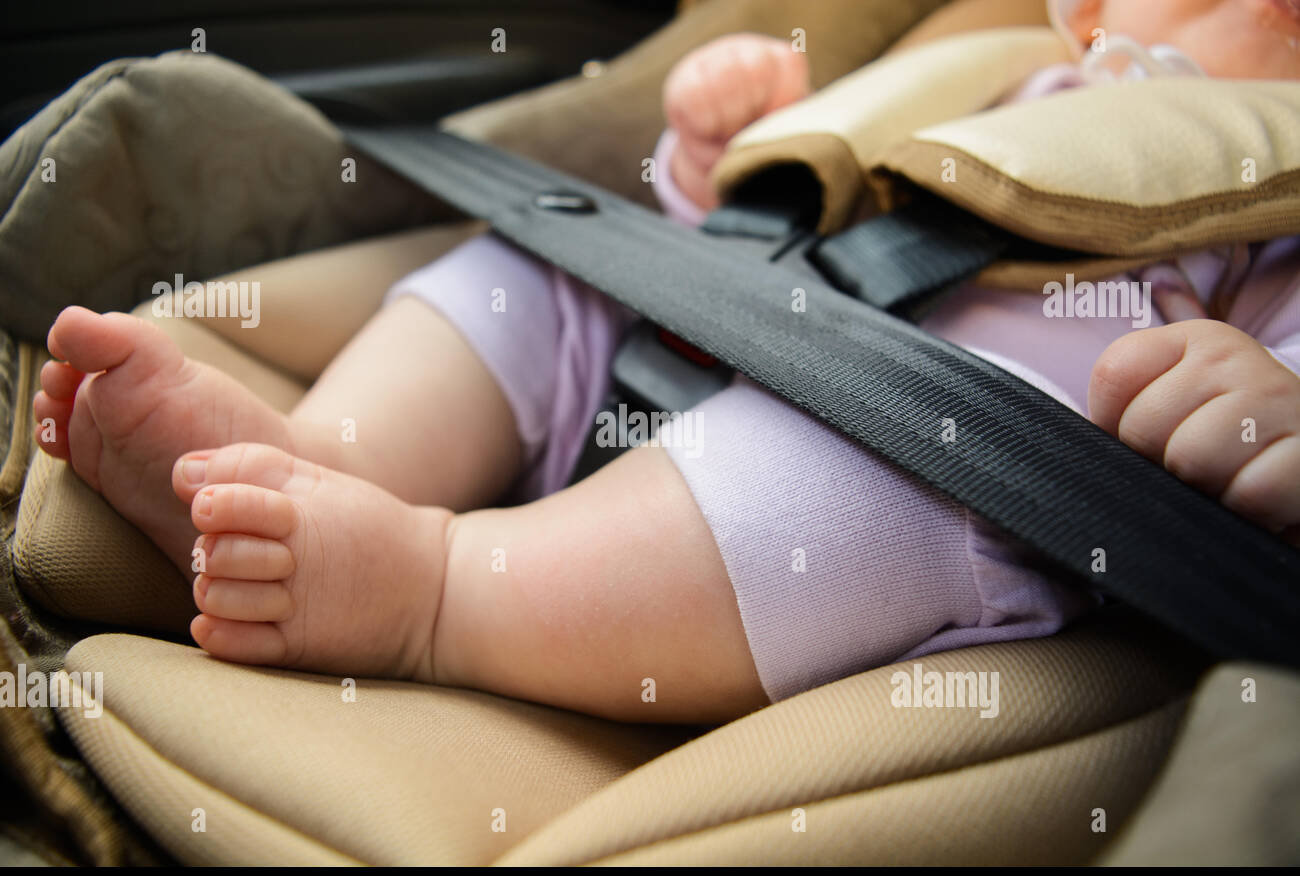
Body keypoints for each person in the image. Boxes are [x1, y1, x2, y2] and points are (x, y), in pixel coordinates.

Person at [32, 0, 1300, 723]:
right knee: (537, 267)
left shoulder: (1268, 209)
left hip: (944, 444)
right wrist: (716, 152)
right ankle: (326, 454)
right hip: (710, 320)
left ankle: (433, 591)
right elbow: (735, 224)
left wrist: (1265, 414)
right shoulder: (993, 84)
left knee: (885, 474)